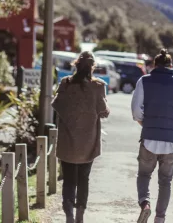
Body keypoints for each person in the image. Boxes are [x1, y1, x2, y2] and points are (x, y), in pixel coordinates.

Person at [131, 49, 173, 223]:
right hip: (170, 141)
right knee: (165, 182)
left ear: (154, 65)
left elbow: (136, 111)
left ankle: (145, 204)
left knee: (144, 175)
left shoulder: (144, 81)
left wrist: (145, 123)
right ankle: (160, 219)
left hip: (149, 138)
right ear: (171, 65)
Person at [52, 51, 110, 223]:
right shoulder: (98, 86)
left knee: (69, 179)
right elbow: (104, 111)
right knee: (84, 178)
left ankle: (68, 211)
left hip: (67, 141)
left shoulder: (65, 84)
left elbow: (57, 105)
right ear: (92, 67)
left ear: (76, 65)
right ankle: (80, 213)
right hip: (88, 142)